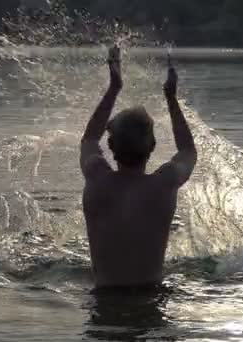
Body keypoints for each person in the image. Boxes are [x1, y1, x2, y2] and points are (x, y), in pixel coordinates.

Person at [80, 46, 197, 290]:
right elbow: (187, 150)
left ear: (110, 144)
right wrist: (171, 97)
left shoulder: (96, 177)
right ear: (153, 145)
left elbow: (90, 139)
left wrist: (114, 88)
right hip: (151, 300)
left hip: (103, 301)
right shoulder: (165, 184)